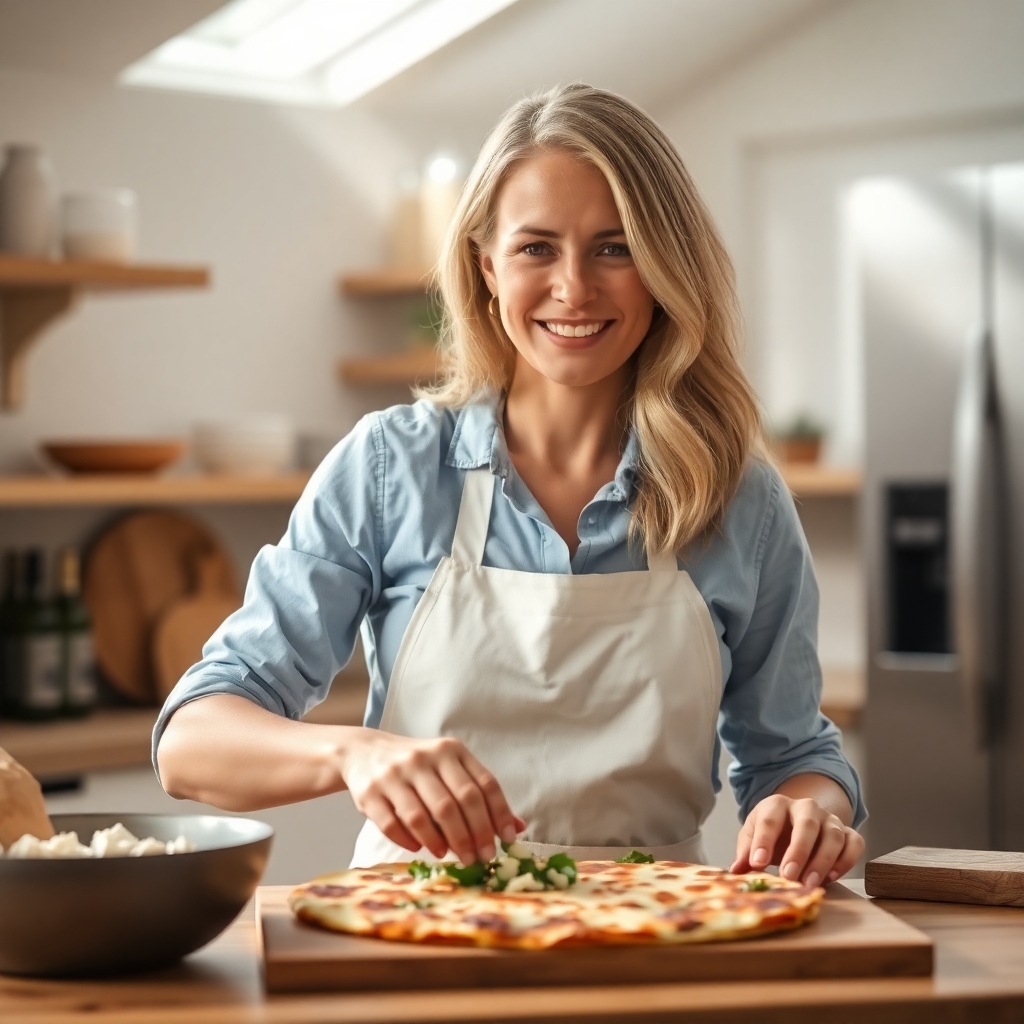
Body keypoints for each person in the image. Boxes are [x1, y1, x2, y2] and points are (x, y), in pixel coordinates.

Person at [155, 84, 865, 888]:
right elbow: (192, 744)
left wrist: (811, 813)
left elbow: (794, 759)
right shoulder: (390, 470)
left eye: (616, 246)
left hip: (654, 946)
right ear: (485, 266)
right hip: (418, 945)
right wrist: (352, 752)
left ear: (667, 265)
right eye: (536, 249)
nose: (574, 288)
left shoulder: (740, 498)